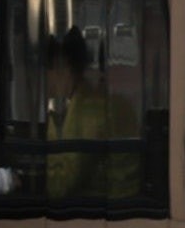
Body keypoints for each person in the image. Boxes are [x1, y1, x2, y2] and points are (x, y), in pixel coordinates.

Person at [45, 28, 140, 202]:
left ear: (64, 65)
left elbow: (61, 186)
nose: (43, 79)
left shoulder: (89, 112)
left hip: (111, 205)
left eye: (46, 69)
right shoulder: (97, 102)